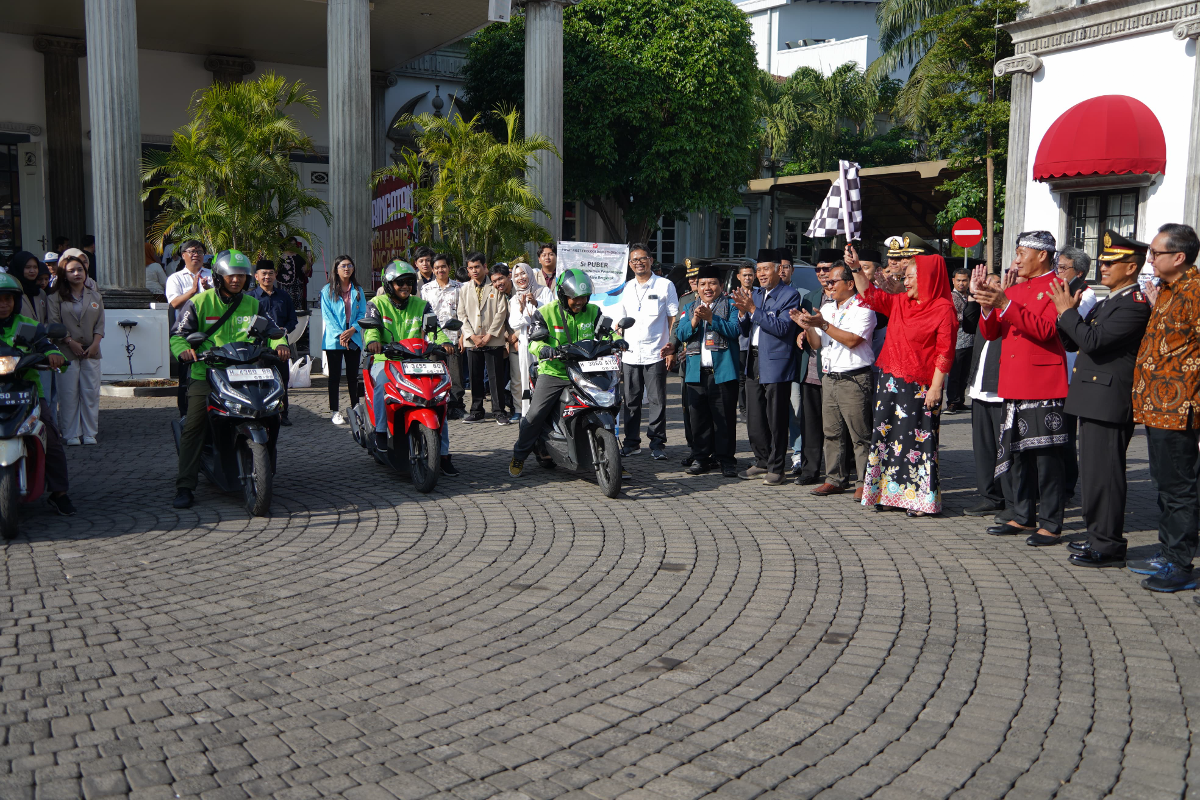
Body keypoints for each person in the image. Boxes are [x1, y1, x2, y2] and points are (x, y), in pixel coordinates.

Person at [1049, 231, 1152, 569]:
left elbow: (1092, 342)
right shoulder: (1111, 300)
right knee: (1094, 475)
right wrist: (1067, 316)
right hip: (1094, 397)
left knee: (1105, 476)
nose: (1103, 267)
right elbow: (1074, 343)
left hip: (1109, 401)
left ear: (1132, 267)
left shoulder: (1133, 305)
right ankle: (1098, 535)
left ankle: (1107, 545)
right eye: (1104, 261)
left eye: (1111, 262)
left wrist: (1068, 314)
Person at [170, 250, 291, 509]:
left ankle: (265, 466)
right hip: (207, 372)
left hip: (248, 371)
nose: (235, 280)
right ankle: (184, 485)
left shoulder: (253, 304)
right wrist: (184, 350)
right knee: (195, 425)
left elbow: (273, 330)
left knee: (270, 413)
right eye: (230, 276)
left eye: (240, 276)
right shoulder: (200, 302)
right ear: (219, 277)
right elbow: (179, 334)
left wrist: (281, 344)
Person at [971, 231, 1070, 545]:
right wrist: (988, 305)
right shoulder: (1017, 288)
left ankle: (1051, 523)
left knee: (1047, 458)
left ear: (1042, 255)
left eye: (1020, 253)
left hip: (1042, 384)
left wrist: (1004, 301)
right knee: (1018, 455)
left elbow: (1045, 330)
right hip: (1013, 382)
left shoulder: (1057, 286)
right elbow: (992, 333)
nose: (1015, 260)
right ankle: (1023, 516)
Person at [849, 245, 957, 516]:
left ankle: (918, 500)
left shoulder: (944, 309)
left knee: (916, 442)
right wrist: (855, 269)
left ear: (929, 278)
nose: (904, 281)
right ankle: (886, 494)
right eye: (905, 276)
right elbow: (870, 295)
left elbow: (945, 352)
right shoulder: (900, 302)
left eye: (910, 276)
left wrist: (936, 387)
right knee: (886, 437)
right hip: (889, 380)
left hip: (921, 385)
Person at [1127, 223, 1200, 591]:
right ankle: (1169, 551)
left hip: (1179, 407)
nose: (1150, 258)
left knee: (1179, 488)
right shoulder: (1170, 291)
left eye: (1156, 253)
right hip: (1157, 407)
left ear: (1179, 257)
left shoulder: (1196, 292)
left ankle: (1180, 563)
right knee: (1165, 484)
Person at [509, 269, 610, 476]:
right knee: (535, 414)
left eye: (583, 297)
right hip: (554, 372)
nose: (580, 302)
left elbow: (608, 334)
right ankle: (519, 455)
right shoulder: (545, 312)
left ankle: (612, 455)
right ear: (563, 296)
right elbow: (534, 343)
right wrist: (544, 349)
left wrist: (619, 342)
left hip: (585, 371)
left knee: (608, 404)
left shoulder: (594, 311)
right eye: (575, 299)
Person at [364, 260, 457, 476]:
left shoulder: (421, 305)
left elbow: (434, 330)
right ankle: (380, 432)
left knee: (438, 398)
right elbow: (372, 329)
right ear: (389, 285)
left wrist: (445, 343)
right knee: (383, 384)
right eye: (399, 283)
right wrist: (373, 342)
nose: (405, 286)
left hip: (417, 360)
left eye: (408, 282)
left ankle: (442, 455)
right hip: (385, 360)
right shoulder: (376, 304)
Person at [795, 261, 876, 500]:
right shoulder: (828, 308)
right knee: (832, 432)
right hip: (829, 377)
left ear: (850, 284)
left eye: (833, 281)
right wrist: (808, 326)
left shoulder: (864, 308)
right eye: (827, 282)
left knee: (860, 435)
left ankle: (864, 481)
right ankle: (835, 479)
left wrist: (822, 324)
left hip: (854, 378)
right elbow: (817, 344)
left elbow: (852, 340)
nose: (828, 286)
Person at [0, 274, 72, 514]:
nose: (3, 304)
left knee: (50, 437)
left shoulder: (27, 326)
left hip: (26, 392)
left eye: (8, 299)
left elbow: (46, 344)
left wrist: (54, 355)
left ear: (16, 301)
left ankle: (59, 493)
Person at [732, 249, 801, 485]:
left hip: (775, 363)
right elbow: (745, 330)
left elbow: (782, 328)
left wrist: (752, 310)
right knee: (755, 417)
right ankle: (761, 460)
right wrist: (743, 314)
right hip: (753, 359)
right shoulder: (757, 294)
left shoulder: (789, 295)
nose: (761, 274)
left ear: (779, 270)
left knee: (776, 418)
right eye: (758, 269)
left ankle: (777, 467)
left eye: (765, 269)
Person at [613, 243, 678, 459]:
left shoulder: (665, 285)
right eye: (634, 260)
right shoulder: (627, 287)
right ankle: (631, 442)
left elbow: (672, 318)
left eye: (642, 258)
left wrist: (671, 348)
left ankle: (657, 443)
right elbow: (620, 322)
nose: (638, 263)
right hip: (631, 353)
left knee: (657, 400)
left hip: (656, 352)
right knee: (631, 400)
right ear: (630, 264)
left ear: (651, 260)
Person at [675, 264, 740, 477]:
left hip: (722, 373)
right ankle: (701, 458)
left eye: (712, 283)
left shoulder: (730, 305)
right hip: (696, 373)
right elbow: (682, 334)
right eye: (703, 284)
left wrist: (712, 318)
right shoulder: (690, 307)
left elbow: (734, 330)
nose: (707, 288)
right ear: (697, 288)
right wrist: (695, 319)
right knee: (699, 420)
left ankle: (726, 460)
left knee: (724, 420)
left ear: (721, 285)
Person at [963, 274, 1009, 518]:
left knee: (1004, 448)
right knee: (983, 448)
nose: (988, 289)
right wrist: (973, 297)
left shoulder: (1009, 309)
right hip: (979, 387)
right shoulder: (983, 310)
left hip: (1001, 389)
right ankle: (989, 495)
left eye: (994, 284)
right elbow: (968, 324)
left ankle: (1010, 498)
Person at [47, 253, 104, 446]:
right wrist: (69, 341)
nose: (77, 273)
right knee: (68, 393)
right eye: (71, 271)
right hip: (66, 351)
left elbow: (100, 324)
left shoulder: (95, 295)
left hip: (91, 350)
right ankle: (71, 433)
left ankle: (90, 432)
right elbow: (54, 323)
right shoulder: (55, 297)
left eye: (80, 269)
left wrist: (96, 343)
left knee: (90, 392)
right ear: (64, 274)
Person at [791, 248, 838, 479]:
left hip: (836, 372)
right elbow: (805, 327)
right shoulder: (810, 297)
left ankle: (838, 470)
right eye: (818, 269)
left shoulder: (847, 297)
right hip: (810, 369)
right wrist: (802, 333)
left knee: (834, 426)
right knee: (809, 423)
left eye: (826, 268)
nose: (821, 273)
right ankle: (810, 469)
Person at [458, 252, 509, 425]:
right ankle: (476, 410)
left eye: (477, 267)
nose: (474, 270)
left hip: (493, 339)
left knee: (496, 377)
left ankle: (499, 411)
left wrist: (489, 335)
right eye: (471, 268)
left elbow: (502, 312)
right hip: (472, 340)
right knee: (475, 376)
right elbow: (461, 314)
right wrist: (471, 335)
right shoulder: (464, 289)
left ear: (485, 267)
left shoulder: (495, 286)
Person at [248, 260, 299, 426]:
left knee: (281, 380)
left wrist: (285, 330)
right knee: (258, 381)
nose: (267, 277)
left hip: (280, 345)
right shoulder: (249, 298)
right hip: (257, 346)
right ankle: (260, 413)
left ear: (275, 275)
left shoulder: (284, 297)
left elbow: (293, 320)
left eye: (270, 273)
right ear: (256, 276)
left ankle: (283, 414)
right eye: (263, 273)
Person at [319, 255, 367, 426]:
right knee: (334, 377)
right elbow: (328, 316)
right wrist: (341, 334)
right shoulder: (327, 290)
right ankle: (335, 411)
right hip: (334, 339)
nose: (346, 268)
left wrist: (352, 330)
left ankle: (356, 407)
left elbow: (362, 314)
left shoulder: (358, 290)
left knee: (353, 376)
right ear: (336, 269)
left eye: (349, 265)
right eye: (343, 266)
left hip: (353, 336)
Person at [421, 254, 465, 418]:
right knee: (434, 374)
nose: (441, 270)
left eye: (443, 266)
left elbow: (463, 313)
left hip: (454, 337)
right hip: (433, 340)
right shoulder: (426, 289)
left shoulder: (459, 287)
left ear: (449, 268)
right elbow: (423, 316)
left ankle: (456, 405)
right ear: (433, 270)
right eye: (437, 267)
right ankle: (437, 405)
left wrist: (462, 336)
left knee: (455, 375)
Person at [507, 263, 552, 417]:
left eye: (523, 273)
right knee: (527, 377)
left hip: (545, 342)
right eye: (516, 275)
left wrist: (536, 304)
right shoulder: (514, 299)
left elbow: (550, 316)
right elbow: (514, 323)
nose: (520, 278)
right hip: (526, 343)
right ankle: (528, 414)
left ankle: (546, 412)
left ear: (530, 274)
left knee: (544, 377)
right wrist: (521, 311)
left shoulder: (544, 291)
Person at [674, 263, 700, 466]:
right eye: (690, 279)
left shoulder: (718, 299)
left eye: (696, 278)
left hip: (708, 361)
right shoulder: (685, 300)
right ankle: (694, 448)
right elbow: (677, 327)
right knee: (688, 408)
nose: (693, 282)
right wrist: (672, 348)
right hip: (687, 362)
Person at [488, 263, 520, 420]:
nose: (498, 283)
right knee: (514, 379)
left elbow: (532, 316)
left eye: (501, 279)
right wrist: (508, 338)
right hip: (508, 342)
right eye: (494, 281)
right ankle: (517, 409)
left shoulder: (520, 290)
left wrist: (517, 335)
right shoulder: (497, 295)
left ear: (509, 276)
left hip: (524, 340)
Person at [944, 267, 974, 412]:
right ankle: (952, 401)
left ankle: (960, 399)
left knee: (965, 373)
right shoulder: (951, 297)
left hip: (970, 340)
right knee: (955, 373)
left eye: (964, 280)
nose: (961, 283)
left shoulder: (970, 295)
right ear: (953, 281)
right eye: (958, 280)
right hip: (957, 341)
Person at [735, 263, 756, 414]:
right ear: (738, 277)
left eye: (750, 275)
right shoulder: (733, 297)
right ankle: (743, 408)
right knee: (742, 377)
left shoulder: (760, 294)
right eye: (744, 275)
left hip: (756, 344)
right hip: (741, 343)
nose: (747, 278)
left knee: (754, 376)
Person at [10, 252, 48, 323]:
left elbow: (47, 318)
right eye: (27, 267)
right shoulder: (12, 292)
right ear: (19, 268)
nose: (32, 271)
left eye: (35, 267)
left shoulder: (40, 292)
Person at [277, 239, 311, 312]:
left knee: (297, 306)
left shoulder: (299, 256)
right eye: (290, 244)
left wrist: (309, 262)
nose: (292, 246)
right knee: (284, 304)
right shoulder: (280, 256)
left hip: (297, 284)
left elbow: (305, 271)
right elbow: (276, 270)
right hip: (284, 284)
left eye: (294, 245)